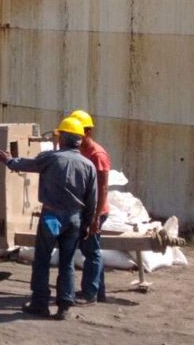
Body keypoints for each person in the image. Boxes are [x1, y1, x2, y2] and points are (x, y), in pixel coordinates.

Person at [0, 116, 96, 320]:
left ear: (64, 138)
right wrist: (86, 225)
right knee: (67, 263)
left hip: (52, 216)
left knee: (42, 259)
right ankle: (64, 306)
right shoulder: (88, 165)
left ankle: (40, 303)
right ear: (79, 139)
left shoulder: (51, 158)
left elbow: (27, 164)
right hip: (75, 218)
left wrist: (9, 161)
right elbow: (92, 200)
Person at [71, 109, 112, 304]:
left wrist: (95, 218)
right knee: (90, 250)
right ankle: (97, 291)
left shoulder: (97, 155)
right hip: (85, 209)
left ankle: (90, 294)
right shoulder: (79, 151)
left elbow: (103, 188)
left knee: (92, 251)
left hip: (96, 211)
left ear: (87, 132)